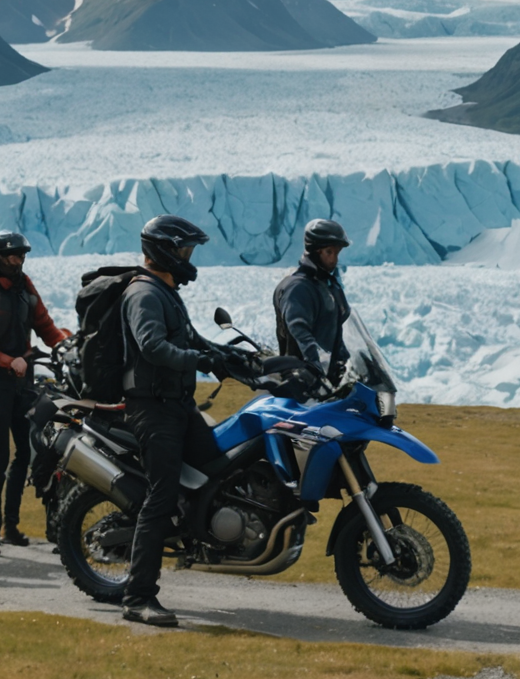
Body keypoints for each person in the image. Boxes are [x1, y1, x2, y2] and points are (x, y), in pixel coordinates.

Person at [118, 214, 246, 628]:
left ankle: (203, 535)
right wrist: (202, 359)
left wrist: (234, 358)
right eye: (185, 250)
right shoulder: (143, 294)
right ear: (164, 251)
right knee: (162, 494)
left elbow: (192, 340)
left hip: (178, 406)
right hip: (152, 410)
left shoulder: (167, 292)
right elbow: (153, 346)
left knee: (219, 466)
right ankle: (138, 597)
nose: (189, 259)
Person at [0, 230, 70, 549]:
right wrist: (5, 360)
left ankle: (10, 527)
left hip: (23, 379)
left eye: (21, 256)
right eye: (12, 255)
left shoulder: (25, 286)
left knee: (24, 452)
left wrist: (66, 346)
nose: (18, 261)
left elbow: (45, 325)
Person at [273, 218, 351, 380]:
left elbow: (334, 332)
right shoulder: (298, 288)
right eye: (329, 252)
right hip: (300, 383)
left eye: (336, 253)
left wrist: (347, 361)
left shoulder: (329, 286)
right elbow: (299, 330)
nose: (334, 259)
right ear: (314, 251)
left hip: (326, 383)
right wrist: (315, 363)